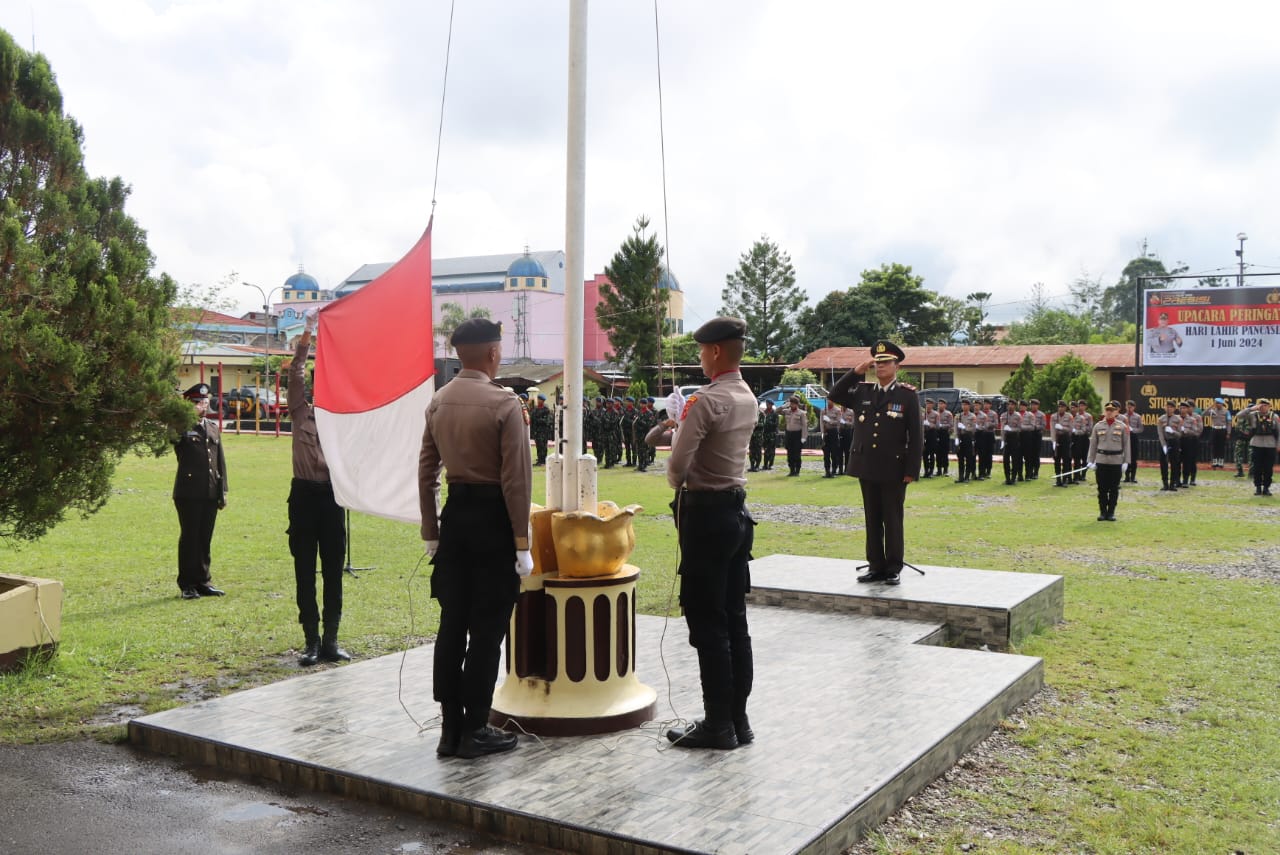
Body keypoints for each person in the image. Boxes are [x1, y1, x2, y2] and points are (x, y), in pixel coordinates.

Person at [419, 318, 531, 759]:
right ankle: (475, 728)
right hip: (492, 522)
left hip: (455, 519)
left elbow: (426, 472)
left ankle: (449, 730)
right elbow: (516, 480)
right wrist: (521, 543)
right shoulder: (504, 403)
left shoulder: (438, 401)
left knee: (451, 625)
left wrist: (432, 531)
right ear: (492, 353)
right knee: (487, 631)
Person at [663, 317, 758, 751]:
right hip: (736, 513)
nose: (700, 358)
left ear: (716, 351)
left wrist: (679, 428)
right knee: (735, 621)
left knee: (707, 624)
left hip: (705, 518)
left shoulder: (705, 400)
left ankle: (718, 724)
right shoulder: (746, 395)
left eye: (702, 351)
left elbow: (675, 471)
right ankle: (738, 719)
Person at [828, 340, 922, 586]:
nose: (880, 367)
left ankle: (893, 567)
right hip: (866, 466)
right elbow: (834, 394)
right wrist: (856, 371)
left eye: (886, 362)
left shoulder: (907, 395)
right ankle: (875, 566)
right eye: (877, 363)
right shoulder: (863, 392)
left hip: (894, 468)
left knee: (892, 519)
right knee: (872, 519)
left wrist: (911, 470)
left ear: (897, 366)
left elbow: (916, 436)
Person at [287, 313, 349, 666]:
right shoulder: (301, 412)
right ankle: (310, 640)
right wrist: (308, 332)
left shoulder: (342, 423)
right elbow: (295, 372)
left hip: (332, 499)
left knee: (333, 571)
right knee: (305, 571)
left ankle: (331, 640)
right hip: (304, 497)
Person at [172, 382, 228, 600]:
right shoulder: (181, 427)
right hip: (189, 492)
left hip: (210, 491)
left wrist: (223, 491)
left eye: (205, 402)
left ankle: (203, 581)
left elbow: (220, 461)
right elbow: (171, 437)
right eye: (197, 402)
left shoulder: (212, 427)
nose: (202, 406)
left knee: (204, 538)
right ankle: (187, 584)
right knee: (190, 538)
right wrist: (181, 414)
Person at [1087, 401, 1130, 521]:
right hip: (1101, 460)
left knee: (1114, 488)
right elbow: (1093, 445)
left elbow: (1126, 445)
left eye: (1112, 410)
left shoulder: (1122, 426)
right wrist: (1090, 460)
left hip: (1116, 461)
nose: (1109, 412)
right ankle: (1103, 512)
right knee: (1102, 488)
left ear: (1116, 412)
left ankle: (1111, 512)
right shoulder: (1098, 426)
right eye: (1107, 410)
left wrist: (1126, 461)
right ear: (1104, 412)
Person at [1245, 399, 1278, 496]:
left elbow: (1279, 431)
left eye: (1265, 405)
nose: (1263, 407)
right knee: (1257, 467)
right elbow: (1239, 415)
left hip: (1270, 444)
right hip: (1257, 444)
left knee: (1268, 468)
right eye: (1261, 405)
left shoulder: (1274, 416)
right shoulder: (1253, 415)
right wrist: (1251, 409)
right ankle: (1258, 488)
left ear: (1269, 406)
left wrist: (1278, 445)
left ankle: (1266, 488)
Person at [1157, 400, 1182, 491]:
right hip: (1164, 442)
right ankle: (1165, 484)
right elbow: (1160, 433)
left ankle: (1172, 484)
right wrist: (1163, 445)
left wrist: (1173, 431)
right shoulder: (1161, 419)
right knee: (1163, 463)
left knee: (1174, 463)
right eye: (1167, 407)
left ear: (1174, 409)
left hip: (1174, 442)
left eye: (1171, 407)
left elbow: (1180, 434)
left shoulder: (1178, 419)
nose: (1168, 409)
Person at [782, 395, 808, 476]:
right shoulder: (787, 411)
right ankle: (791, 470)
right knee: (789, 454)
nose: (791, 405)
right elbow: (776, 411)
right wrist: (784, 406)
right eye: (791, 403)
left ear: (796, 404)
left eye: (793, 404)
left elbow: (804, 425)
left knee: (797, 454)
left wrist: (804, 437)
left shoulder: (801, 413)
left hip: (797, 435)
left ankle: (797, 471)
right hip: (789, 434)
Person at [1051, 400, 1074, 488]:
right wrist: (1053, 441)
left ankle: (1064, 480)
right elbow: (1052, 429)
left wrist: (1062, 428)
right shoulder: (1054, 416)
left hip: (1066, 439)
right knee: (1056, 460)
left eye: (1062, 407)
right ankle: (1058, 480)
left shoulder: (1069, 416)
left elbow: (1070, 429)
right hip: (1057, 439)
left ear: (1065, 408)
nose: (1060, 408)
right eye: (1059, 407)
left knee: (1066, 460)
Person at [1179, 400, 1201, 487]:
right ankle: (1177, 480)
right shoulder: (1177, 418)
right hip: (1179, 440)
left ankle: (1188, 480)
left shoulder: (1194, 419)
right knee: (1177, 461)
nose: (1182, 410)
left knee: (1189, 461)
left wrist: (1186, 430)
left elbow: (1196, 431)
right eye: (1181, 408)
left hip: (1190, 441)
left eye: (1184, 408)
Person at [1000, 400, 1022, 485]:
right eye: (1008, 404)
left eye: (1012, 404)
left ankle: (1013, 477)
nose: (1010, 406)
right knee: (1005, 459)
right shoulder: (1003, 415)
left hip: (1014, 438)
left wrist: (1011, 429)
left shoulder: (1018, 416)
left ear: (1015, 406)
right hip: (1006, 439)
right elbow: (1002, 429)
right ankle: (1007, 478)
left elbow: (1020, 428)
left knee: (1014, 459)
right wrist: (1002, 440)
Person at [954, 399, 976, 483]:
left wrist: (965, 428)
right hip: (961, 438)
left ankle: (967, 477)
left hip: (968, 438)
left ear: (969, 406)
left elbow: (973, 429)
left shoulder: (972, 416)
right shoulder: (958, 416)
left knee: (968, 458)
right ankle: (961, 477)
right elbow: (955, 428)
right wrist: (956, 438)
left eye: (965, 405)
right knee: (960, 458)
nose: (964, 406)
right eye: (962, 405)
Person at [529, 394, 554, 466]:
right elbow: (532, 418)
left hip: (543, 431)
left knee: (543, 446)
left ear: (542, 401)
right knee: (538, 446)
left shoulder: (546, 409)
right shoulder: (535, 409)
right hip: (537, 431)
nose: (538, 401)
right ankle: (539, 460)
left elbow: (548, 421)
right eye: (538, 399)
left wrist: (538, 420)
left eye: (539, 399)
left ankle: (543, 461)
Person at [1206, 397, 1230, 470]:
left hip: (1222, 430)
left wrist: (1228, 432)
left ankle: (1221, 462)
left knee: (1221, 447)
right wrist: (1210, 406)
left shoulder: (1226, 411)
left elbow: (1229, 423)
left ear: (1222, 404)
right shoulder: (1212, 411)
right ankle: (1214, 462)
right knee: (1214, 446)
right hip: (1214, 430)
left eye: (1219, 403)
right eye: (1216, 403)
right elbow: (1203, 414)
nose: (1217, 404)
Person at [975, 399, 995, 480]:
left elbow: (996, 424)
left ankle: (988, 470)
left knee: (989, 454)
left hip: (989, 434)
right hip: (981, 435)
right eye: (985, 404)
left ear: (990, 405)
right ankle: (981, 471)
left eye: (987, 404)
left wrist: (987, 424)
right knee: (982, 454)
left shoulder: (993, 414)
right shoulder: (979, 413)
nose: (986, 405)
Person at [1123, 400, 1143, 484]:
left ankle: (1133, 477)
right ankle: (1127, 476)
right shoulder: (1123, 417)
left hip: (1134, 438)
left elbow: (1141, 429)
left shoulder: (1138, 417)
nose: (1129, 408)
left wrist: (1133, 430)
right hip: (1126, 438)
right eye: (1127, 407)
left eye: (1130, 407)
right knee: (1126, 457)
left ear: (1134, 407)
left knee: (1134, 458)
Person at [821, 403, 841, 478]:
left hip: (833, 432)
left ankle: (834, 470)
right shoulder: (823, 410)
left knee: (834, 452)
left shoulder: (837, 410)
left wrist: (830, 421)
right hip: (826, 432)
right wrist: (822, 432)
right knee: (826, 453)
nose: (829, 401)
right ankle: (827, 471)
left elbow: (838, 422)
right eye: (828, 400)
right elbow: (821, 422)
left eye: (830, 400)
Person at [921, 399, 938, 478]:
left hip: (932, 434)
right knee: (925, 454)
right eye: (926, 404)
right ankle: (926, 471)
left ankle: (931, 471)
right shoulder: (923, 414)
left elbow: (937, 425)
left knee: (931, 454)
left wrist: (930, 424)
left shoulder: (936, 414)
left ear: (932, 405)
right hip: (924, 434)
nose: (928, 405)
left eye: (929, 404)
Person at [761, 400, 779, 470]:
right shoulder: (764, 412)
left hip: (772, 434)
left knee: (772, 450)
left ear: (771, 405)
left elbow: (776, 424)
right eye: (766, 404)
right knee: (766, 449)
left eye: (768, 404)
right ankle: (765, 464)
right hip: (765, 434)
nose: (767, 405)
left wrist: (768, 423)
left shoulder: (774, 413)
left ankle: (771, 464)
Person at [748, 403, 765, 472]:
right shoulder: (750, 413)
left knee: (758, 451)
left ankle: (757, 466)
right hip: (752, 435)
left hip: (758, 436)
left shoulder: (761, 414)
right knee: (751, 451)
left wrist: (755, 424)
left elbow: (762, 424)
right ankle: (752, 466)